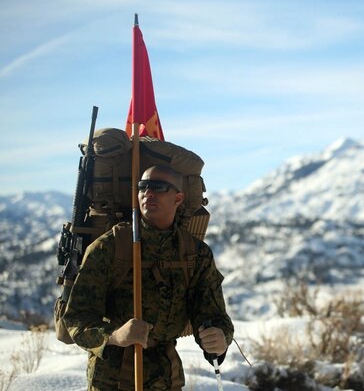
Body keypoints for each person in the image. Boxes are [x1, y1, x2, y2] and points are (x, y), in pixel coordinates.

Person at [63, 165, 235, 390]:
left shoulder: (195, 253)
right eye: (143, 187)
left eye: (159, 187)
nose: (148, 193)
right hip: (112, 379)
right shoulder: (109, 247)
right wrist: (115, 336)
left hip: (167, 378)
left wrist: (220, 340)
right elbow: (76, 319)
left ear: (178, 198)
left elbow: (213, 316)